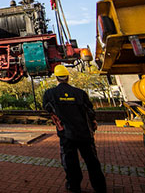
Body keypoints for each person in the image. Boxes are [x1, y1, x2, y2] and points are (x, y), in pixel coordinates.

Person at [43, 65, 107, 193]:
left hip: (66, 133)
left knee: (70, 161)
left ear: (56, 78)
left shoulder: (50, 93)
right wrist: (93, 122)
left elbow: (47, 107)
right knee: (92, 161)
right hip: (84, 133)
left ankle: (74, 185)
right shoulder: (80, 93)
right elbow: (89, 110)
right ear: (68, 77)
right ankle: (100, 187)